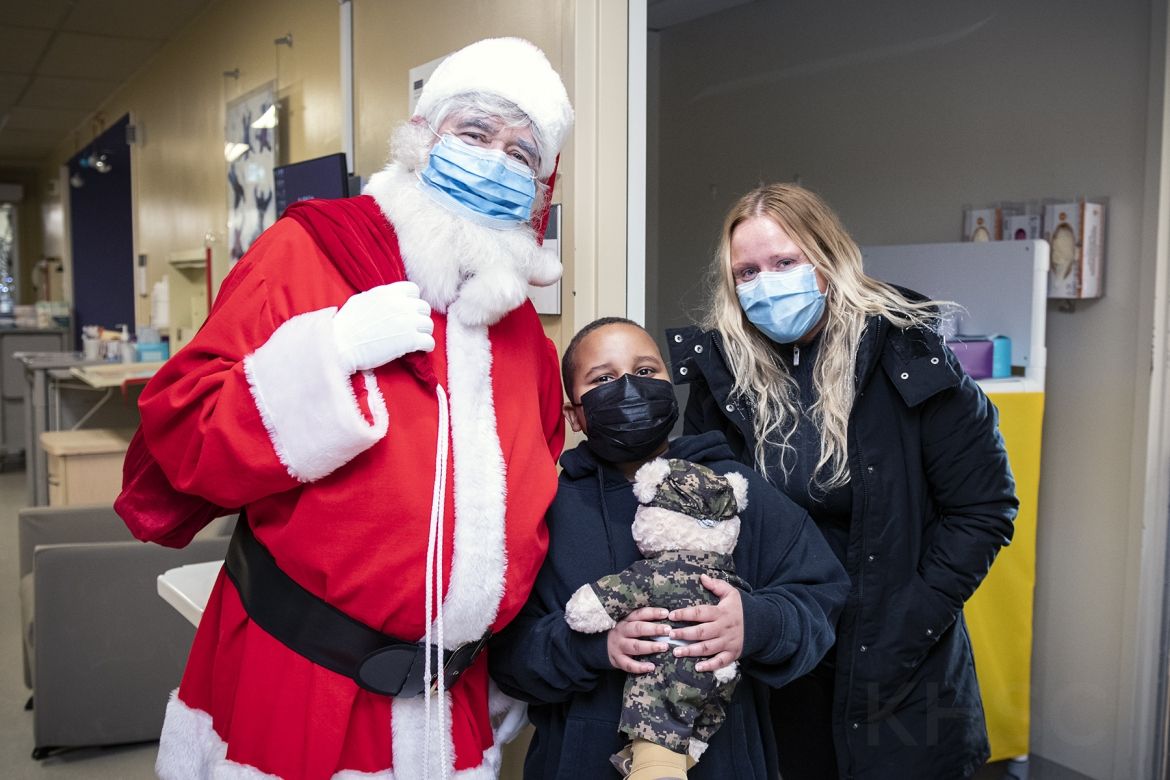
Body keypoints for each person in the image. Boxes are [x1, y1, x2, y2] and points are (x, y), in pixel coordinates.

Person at [129, 37, 574, 780]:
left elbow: (530, 493)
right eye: (473, 134)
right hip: (302, 683)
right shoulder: (308, 251)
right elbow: (184, 435)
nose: (495, 160)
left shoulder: (521, 328)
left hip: (451, 700)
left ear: (539, 186)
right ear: (420, 135)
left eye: (521, 153)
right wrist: (328, 354)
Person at [667, 183, 1019, 779]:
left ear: (826, 263)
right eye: (747, 272)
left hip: (901, 668)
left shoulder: (910, 352)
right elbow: (708, 516)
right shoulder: (722, 374)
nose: (766, 283)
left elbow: (983, 509)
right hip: (784, 657)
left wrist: (904, 627)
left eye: (785, 262)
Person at [489, 317, 850, 779]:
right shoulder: (545, 512)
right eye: (602, 378)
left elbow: (821, 600)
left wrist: (754, 623)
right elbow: (509, 658)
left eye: (646, 372)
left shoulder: (736, 490)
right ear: (575, 414)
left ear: (668, 386)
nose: (629, 388)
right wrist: (595, 647)